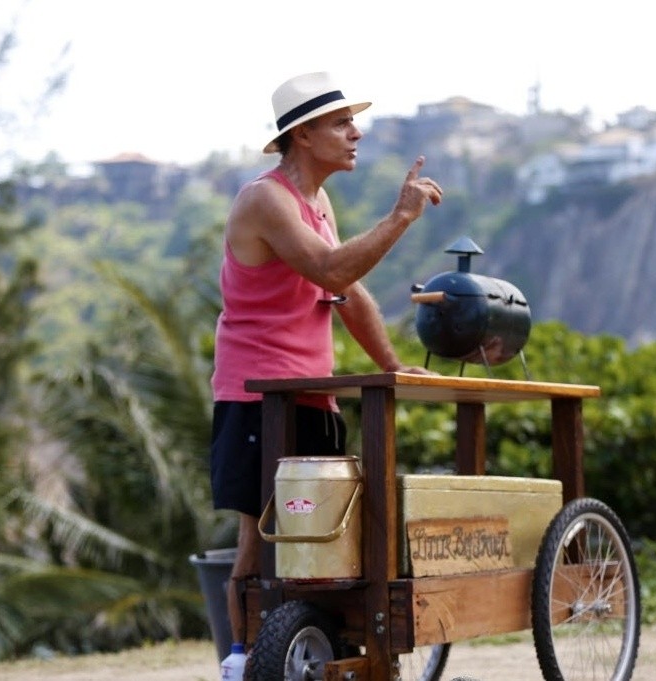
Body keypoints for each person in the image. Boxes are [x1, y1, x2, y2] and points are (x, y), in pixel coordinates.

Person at [209, 71, 443, 650]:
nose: (355, 133)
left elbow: (349, 293)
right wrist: (401, 218)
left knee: (319, 539)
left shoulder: (319, 202)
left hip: (314, 393)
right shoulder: (265, 199)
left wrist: (391, 364)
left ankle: (306, 655)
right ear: (305, 134)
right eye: (342, 124)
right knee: (260, 543)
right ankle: (241, 663)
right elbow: (332, 271)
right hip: (258, 397)